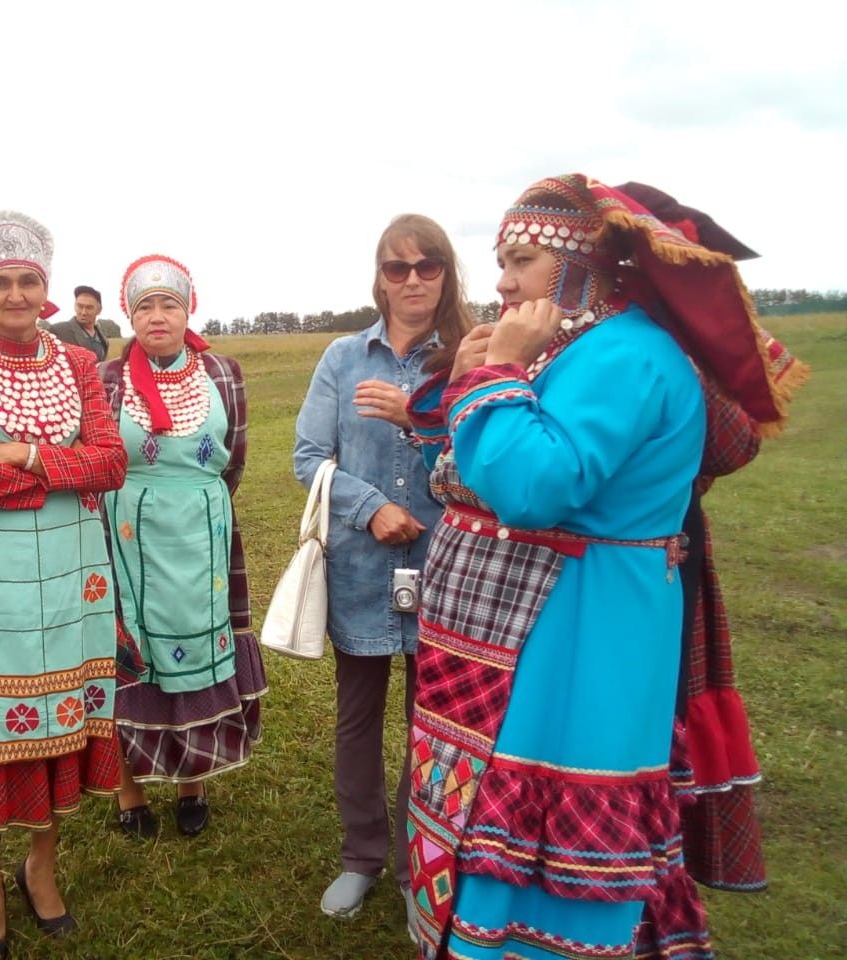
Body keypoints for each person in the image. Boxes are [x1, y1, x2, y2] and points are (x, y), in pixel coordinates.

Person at [404, 174, 796, 960]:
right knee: (494, 798)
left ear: (582, 266)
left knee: (552, 799)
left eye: (519, 260)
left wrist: (491, 376)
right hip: (537, 627)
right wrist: (485, 377)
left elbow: (531, 486)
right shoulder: (575, 351)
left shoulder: (628, 355)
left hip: (579, 630)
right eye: (501, 261)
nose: (503, 282)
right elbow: (470, 469)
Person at [0, 210, 126, 960]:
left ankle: (41, 862)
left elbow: (112, 463)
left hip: (74, 569)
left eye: (28, 281)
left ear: (47, 292)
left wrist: (19, 456)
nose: (16, 294)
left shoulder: (76, 364)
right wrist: (57, 470)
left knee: (63, 713)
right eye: (0, 282)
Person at [613, 182, 806, 900]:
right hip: (630, 544)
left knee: (655, 702)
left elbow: (730, 445)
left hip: (659, 548)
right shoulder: (619, 331)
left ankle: (653, 858)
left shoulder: (670, 343)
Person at [293, 216, 472, 926]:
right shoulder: (343, 358)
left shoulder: (471, 355)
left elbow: (490, 464)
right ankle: (362, 857)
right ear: (379, 276)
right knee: (358, 723)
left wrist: (417, 420)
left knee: (430, 730)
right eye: (397, 268)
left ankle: (419, 866)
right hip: (363, 571)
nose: (412, 281)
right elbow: (309, 457)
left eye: (427, 266)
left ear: (446, 273)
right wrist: (368, 509)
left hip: (447, 568)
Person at [98, 254, 267, 839]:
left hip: (201, 530)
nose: (158, 315)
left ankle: (192, 780)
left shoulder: (223, 373)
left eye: (169, 303)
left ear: (188, 308)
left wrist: (197, 503)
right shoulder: (108, 380)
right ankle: (129, 790)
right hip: (127, 536)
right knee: (130, 653)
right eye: (145, 306)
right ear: (130, 316)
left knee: (196, 650)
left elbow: (234, 458)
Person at [51, 285, 109, 362]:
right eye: (80, 306)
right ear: (75, 306)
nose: (83, 312)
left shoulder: (104, 340)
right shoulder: (58, 331)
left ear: (99, 310)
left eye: (89, 308)